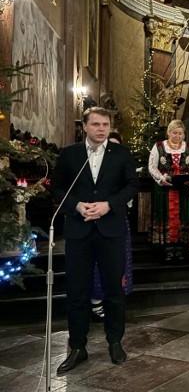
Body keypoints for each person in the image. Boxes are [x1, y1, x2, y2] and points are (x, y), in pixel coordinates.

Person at [51, 107, 138, 374]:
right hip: (79, 231)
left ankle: (115, 342)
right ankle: (78, 346)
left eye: (106, 124)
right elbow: (56, 188)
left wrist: (108, 205)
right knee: (77, 291)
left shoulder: (122, 154)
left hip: (110, 230)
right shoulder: (70, 154)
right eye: (96, 124)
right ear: (85, 127)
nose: (102, 129)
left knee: (114, 291)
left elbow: (132, 185)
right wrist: (76, 205)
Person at [90, 132, 134, 320]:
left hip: (117, 218)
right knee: (97, 262)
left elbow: (129, 190)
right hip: (94, 219)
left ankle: (115, 298)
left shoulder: (123, 168)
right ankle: (95, 300)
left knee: (119, 260)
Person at [148, 120, 189, 261]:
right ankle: (168, 248)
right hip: (165, 189)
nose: (177, 136)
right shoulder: (158, 146)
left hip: (183, 190)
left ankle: (182, 247)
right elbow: (152, 166)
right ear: (169, 132)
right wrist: (160, 179)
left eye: (180, 133)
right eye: (174, 132)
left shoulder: (188, 147)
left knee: (183, 216)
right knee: (167, 217)